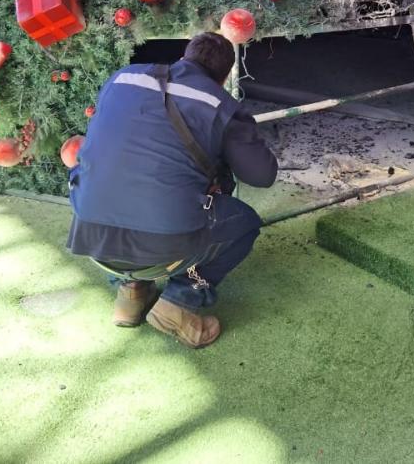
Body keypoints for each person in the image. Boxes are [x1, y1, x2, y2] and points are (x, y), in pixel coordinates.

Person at [67, 32, 278, 349]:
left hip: (89, 236)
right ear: (222, 78)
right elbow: (262, 175)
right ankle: (180, 300)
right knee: (244, 223)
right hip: (163, 244)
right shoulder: (220, 103)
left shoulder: (123, 78)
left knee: (122, 188)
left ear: (185, 56)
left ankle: (131, 292)